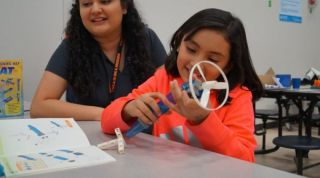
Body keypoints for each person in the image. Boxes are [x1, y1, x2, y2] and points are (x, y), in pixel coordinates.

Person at [101, 8, 263, 162]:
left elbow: (245, 160)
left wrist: (203, 119)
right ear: (179, 43)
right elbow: (106, 122)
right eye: (191, 49)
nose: (196, 63)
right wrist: (128, 109)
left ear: (228, 65)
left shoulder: (237, 95)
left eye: (212, 60)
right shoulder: (164, 78)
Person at [30, 0, 167, 120]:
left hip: (143, 140)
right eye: (87, 4)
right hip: (91, 142)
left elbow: (170, 93)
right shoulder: (71, 46)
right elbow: (39, 106)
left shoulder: (147, 39)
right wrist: (107, 114)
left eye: (105, 1)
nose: (95, 9)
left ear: (124, 6)